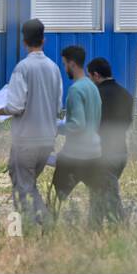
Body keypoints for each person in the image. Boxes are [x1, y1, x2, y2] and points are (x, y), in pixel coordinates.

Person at [0, 18, 63, 225]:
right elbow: (58, 106)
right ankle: (35, 228)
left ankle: (39, 226)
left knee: (22, 188)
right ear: (44, 40)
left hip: (26, 141)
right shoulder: (54, 68)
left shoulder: (22, 68)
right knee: (27, 185)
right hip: (47, 140)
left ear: (24, 41)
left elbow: (15, 106)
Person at [51, 45, 110, 226]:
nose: (64, 69)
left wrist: (55, 127)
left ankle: (48, 231)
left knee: (55, 199)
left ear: (72, 64)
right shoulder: (93, 88)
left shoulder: (76, 90)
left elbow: (77, 125)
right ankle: (95, 233)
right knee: (98, 197)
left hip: (75, 156)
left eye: (64, 64)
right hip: (95, 153)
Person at [87, 57, 133, 222]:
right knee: (98, 192)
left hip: (102, 154)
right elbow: (127, 123)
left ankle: (122, 229)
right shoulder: (126, 94)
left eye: (90, 77)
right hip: (120, 152)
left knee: (109, 197)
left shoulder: (96, 95)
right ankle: (93, 230)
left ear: (96, 75)